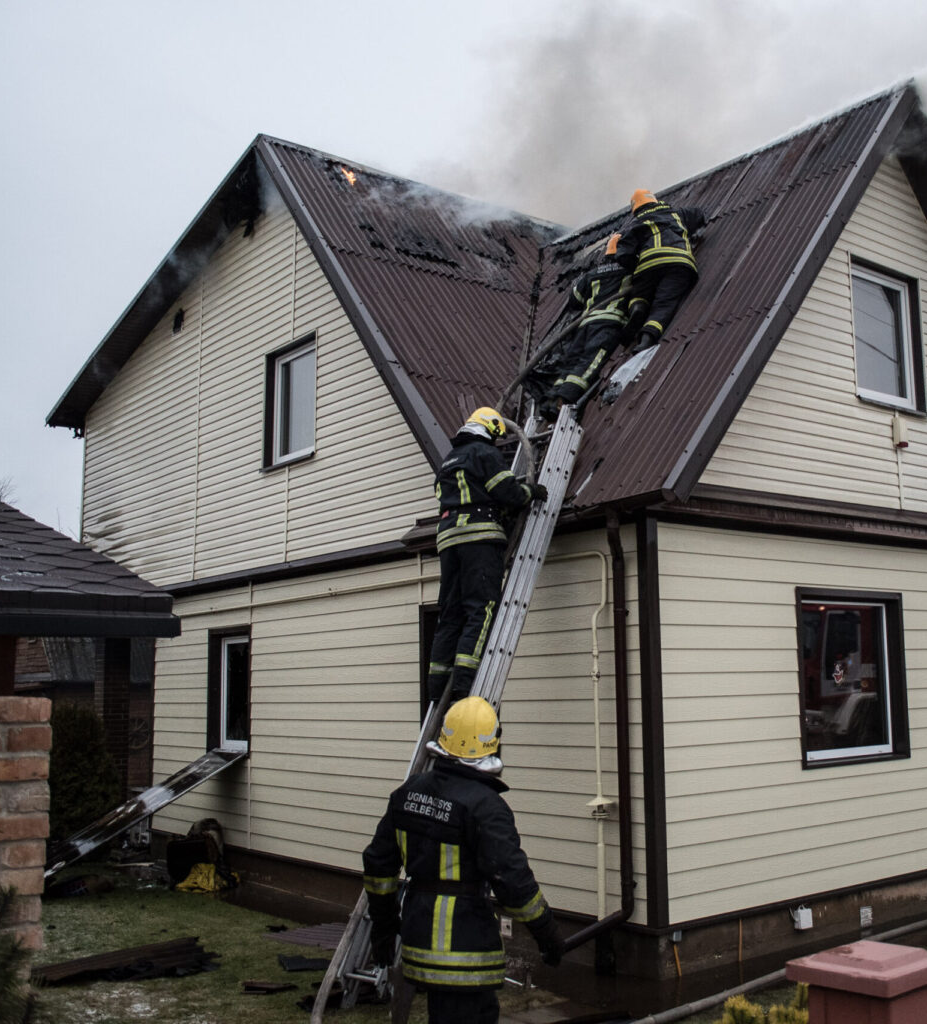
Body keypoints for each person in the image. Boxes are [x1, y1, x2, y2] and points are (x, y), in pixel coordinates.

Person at [362, 697, 562, 1024]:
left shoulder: (408, 793)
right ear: (492, 743)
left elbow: (378, 866)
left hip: (418, 939)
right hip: (466, 950)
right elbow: (512, 881)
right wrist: (547, 931)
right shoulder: (486, 806)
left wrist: (384, 926)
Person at [426, 408, 545, 704]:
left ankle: (436, 685)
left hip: (447, 538)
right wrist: (531, 491)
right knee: (482, 607)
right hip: (478, 537)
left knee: (451, 612)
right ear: (488, 428)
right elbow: (508, 492)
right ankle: (464, 685)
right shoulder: (485, 453)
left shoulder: (447, 462)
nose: (496, 440)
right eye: (496, 434)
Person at [526, 233, 630, 421]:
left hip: (584, 325)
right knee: (591, 362)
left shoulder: (591, 274)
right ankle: (564, 399)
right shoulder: (629, 269)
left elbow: (575, 299)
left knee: (571, 362)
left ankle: (552, 396)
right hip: (608, 323)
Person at [614, 189, 707, 351]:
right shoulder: (677, 214)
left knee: (640, 292)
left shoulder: (636, 224)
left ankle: (638, 306)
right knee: (664, 303)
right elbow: (699, 215)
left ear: (635, 208)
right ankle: (647, 338)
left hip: (648, 265)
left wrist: (635, 267)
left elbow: (623, 254)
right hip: (678, 261)